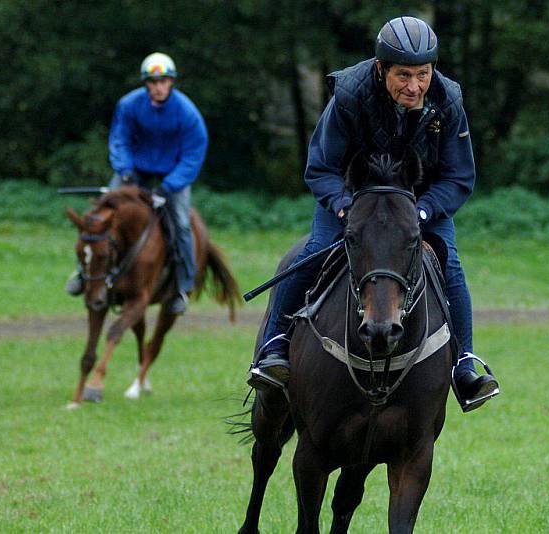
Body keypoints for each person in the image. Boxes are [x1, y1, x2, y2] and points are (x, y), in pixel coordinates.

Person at [248, 16, 500, 411]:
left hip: (421, 204)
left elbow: (459, 176)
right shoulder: (350, 94)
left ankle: (465, 362)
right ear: (381, 68)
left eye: (423, 74)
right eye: (403, 75)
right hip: (351, 199)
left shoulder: (448, 100)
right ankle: (274, 345)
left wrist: (424, 210)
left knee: (450, 266)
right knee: (314, 247)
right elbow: (320, 167)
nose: (414, 86)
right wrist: (344, 204)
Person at [65, 52, 209, 315]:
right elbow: (119, 140)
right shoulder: (129, 105)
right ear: (145, 84)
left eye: (163, 81)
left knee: (181, 221)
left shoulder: (187, 113)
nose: (158, 87)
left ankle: (183, 286)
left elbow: (193, 155)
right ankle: (81, 274)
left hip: (172, 178)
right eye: (152, 82)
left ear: (171, 82)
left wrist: (169, 186)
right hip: (135, 172)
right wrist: (125, 170)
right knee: (101, 212)